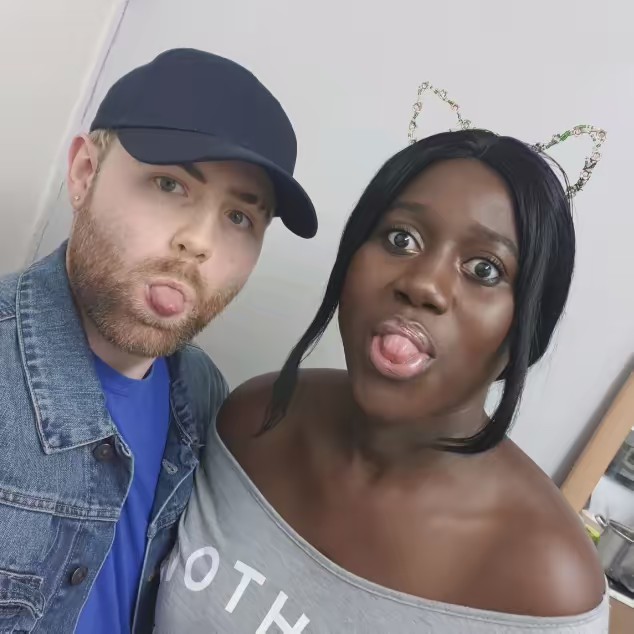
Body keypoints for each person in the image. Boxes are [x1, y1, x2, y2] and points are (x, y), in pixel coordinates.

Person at [155, 129, 609, 633]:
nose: (422, 283)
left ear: (527, 328)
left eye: (484, 269)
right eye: (401, 239)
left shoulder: (550, 586)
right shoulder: (253, 420)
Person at [0, 48, 316, 633]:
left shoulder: (203, 394)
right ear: (84, 174)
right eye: (169, 184)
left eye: (240, 217)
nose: (199, 241)